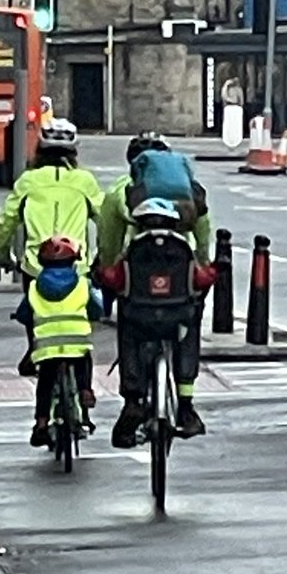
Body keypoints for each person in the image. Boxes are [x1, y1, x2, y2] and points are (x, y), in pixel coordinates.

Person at [97, 134, 211, 447]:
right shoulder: (189, 192)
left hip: (139, 286)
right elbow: (204, 232)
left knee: (130, 331)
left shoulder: (121, 192)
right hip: (179, 280)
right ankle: (186, 407)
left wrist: (107, 270)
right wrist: (201, 267)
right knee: (189, 327)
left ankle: (133, 399)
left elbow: (108, 241)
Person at [0, 121, 104, 374]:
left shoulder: (28, 181)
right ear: (74, 151)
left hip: (36, 265)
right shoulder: (84, 181)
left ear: (39, 148)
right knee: (81, 320)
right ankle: (83, 388)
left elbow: (7, 221)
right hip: (76, 265)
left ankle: (34, 352)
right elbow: (104, 219)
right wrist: (102, 256)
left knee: (34, 313)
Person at [13, 236, 103, 448]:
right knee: (84, 359)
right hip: (77, 341)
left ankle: (42, 424)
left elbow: (24, 313)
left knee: (45, 382)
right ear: (73, 261)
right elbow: (97, 309)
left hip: (47, 347)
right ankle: (84, 390)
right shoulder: (82, 285)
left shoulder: (35, 287)